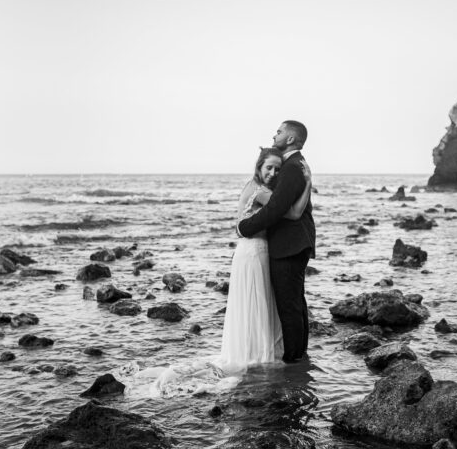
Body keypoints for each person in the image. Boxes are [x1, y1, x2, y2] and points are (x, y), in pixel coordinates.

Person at [128, 147, 310, 396]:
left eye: (278, 169)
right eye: (269, 167)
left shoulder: (258, 188)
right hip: (254, 252)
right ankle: (254, 353)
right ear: (259, 167)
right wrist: (308, 184)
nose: (273, 172)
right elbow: (293, 213)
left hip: (256, 251)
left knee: (257, 303)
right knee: (255, 302)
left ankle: (255, 349)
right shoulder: (261, 192)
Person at [237, 121, 316, 363]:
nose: (275, 134)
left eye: (280, 131)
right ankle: (299, 354)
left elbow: (277, 209)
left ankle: (294, 359)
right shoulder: (293, 165)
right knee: (295, 302)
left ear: (291, 138)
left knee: (289, 305)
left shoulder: (292, 167)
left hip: (289, 245)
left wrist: (244, 227)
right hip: (293, 244)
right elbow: (284, 210)